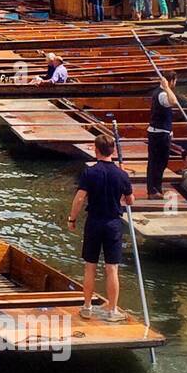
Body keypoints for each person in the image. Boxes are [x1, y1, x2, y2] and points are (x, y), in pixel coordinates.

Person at [67, 132, 132, 322]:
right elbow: (130, 200)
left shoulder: (90, 172)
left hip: (94, 221)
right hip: (113, 223)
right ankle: (112, 311)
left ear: (96, 150)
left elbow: (79, 198)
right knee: (112, 269)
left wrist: (72, 219)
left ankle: (87, 307)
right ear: (112, 150)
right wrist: (122, 193)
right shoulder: (122, 174)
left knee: (90, 266)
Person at [145, 69, 179, 201]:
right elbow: (174, 102)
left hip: (161, 132)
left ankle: (155, 188)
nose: (175, 84)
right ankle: (153, 190)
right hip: (158, 134)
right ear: (171, 81)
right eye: (175, 82)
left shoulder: (160, 93)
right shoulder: (163, 94)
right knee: (157, 163)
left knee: (160, 162)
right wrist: (167, 87)